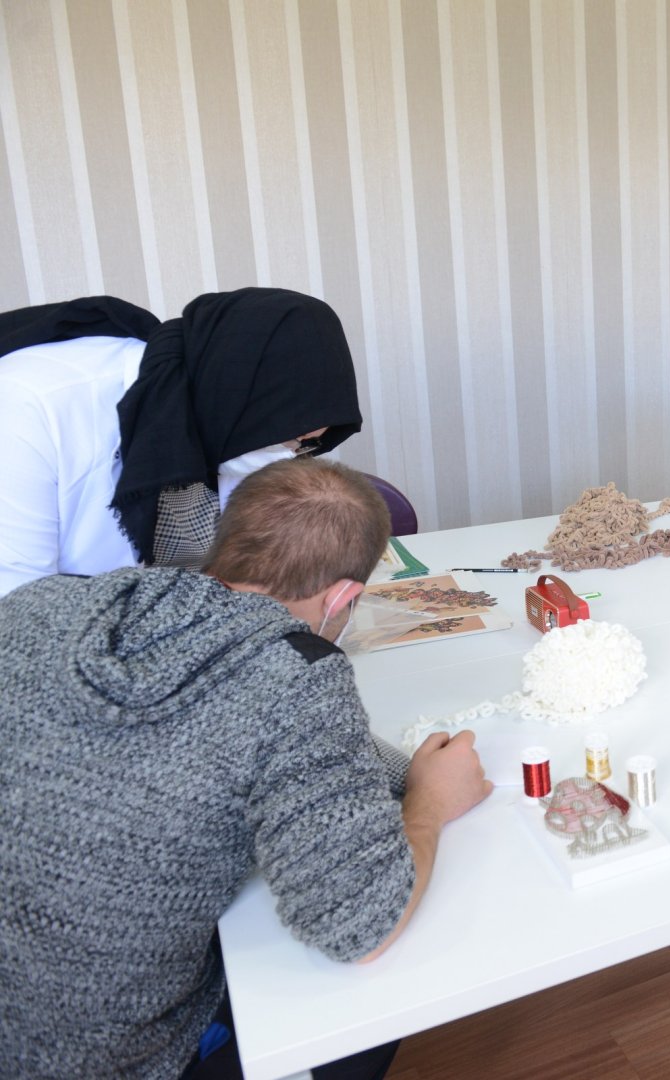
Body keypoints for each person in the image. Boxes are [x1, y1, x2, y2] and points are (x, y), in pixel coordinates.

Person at [0, 457, 492, 1080]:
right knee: (372, 1000)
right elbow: (360, 926)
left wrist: (363, 756)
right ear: (344, 597)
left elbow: (224, 721)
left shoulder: (40, 603)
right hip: (99, 1058)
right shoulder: (296, 676)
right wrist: (430, 802)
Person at [0, 288, 364, 597]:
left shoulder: (224, 415)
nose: (289, 457)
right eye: (290, 439)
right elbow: (17, 607)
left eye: (306, 447)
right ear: (245, 398)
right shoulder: (29, 405)